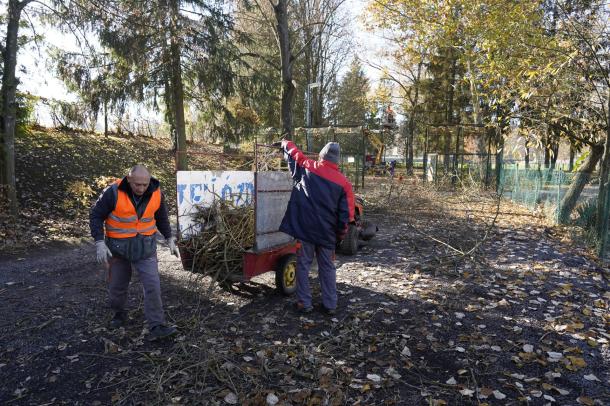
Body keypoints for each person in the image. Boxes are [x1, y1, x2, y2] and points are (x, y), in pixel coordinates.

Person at [90, 164, 179, 340]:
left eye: (145, 184)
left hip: (145, 248)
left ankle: (157, 325)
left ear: (149, 181)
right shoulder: (113, 192)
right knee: (117, 287)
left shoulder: (157, 192)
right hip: (118, 250)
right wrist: (99, 241)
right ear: (128, 179)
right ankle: (119, 313)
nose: (141, 188)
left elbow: (161, 217)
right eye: (137, 184)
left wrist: (169, 238)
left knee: (153, 286)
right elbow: (96, 215)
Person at [275, 139, 355, 315]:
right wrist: (339, 237)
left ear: (321, 156)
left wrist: (284, 143)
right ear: (337, 160)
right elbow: (347, 216)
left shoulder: (308, 167)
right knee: (327, 268)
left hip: (305, 231)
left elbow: (295, 155)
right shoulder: (345, 184)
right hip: (327, 235)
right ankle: (330, 305)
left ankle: (304, 303)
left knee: (303, 265)